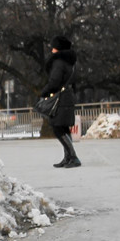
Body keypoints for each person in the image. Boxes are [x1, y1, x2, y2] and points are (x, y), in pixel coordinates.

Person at [40, 35, 80, 168]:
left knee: (58, 128)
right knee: (63, 127)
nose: (52, 50)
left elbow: (54, 81)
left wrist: (44, 92)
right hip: (68, 95)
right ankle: (68, 157)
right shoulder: (70, 62)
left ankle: (73, 157)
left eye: (53, 48)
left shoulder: (59, 62)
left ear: (58, 49)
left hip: (61, 97)